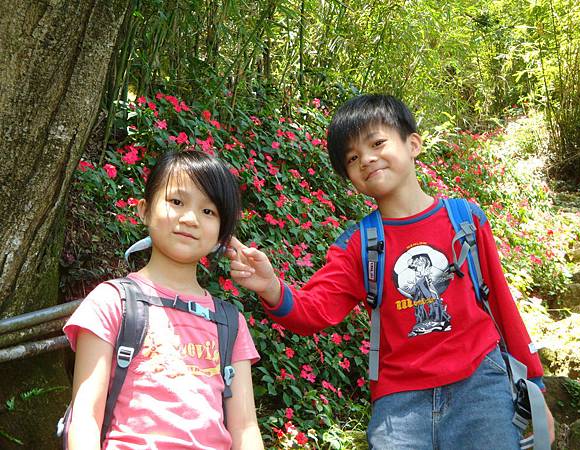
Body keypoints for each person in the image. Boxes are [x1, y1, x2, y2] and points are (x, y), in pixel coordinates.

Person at [228, 94, 554, 449]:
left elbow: (502, 303)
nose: (366, 159)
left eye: (377, 143)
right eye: (352, 158)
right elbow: (314, 309)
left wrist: (534, 384)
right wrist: (271, 287)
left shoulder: (465, 220)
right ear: (350, 176)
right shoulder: (359, 244)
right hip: (399, 403)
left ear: (413, 143)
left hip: (481, 386)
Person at [64, 151, 263, 450]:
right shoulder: (111, 302)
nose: (190, 219)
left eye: (209, 211)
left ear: (222, 233)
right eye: (177, 202)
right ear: (144, 210)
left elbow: (245, 428)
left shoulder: (230, 322)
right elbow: (85, 417)